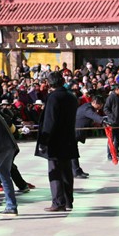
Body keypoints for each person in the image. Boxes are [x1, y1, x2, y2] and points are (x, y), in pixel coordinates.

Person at [35, 71, 79, 211]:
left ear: (49, 83)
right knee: (67, 171)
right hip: (68, 137)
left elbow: (50, 121)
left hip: (55, 139)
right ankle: (68, 201)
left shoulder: (53, 97)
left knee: (55, 171)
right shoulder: (71, 96)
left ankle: (58, 202)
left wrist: (44, 141)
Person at [72, 95, 104, 178]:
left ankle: (77, 170)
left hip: (74, 132)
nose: (101, 106)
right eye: (100, 104)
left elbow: (85, 119)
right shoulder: (87, 108)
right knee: (73, 153)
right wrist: (102, 120)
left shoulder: (87, 107)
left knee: (73, 152)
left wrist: (93, 123)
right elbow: (92, 115)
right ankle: (75, 171)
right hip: (72, 132)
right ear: (94, 102)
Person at [103, 83, 119, 160]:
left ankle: (116, 154)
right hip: (112, 122)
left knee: (118, 139)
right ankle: (109, 155)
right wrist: (112, 116)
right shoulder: (111, 97)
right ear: (116, 89)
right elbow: (106, 109)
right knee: (111, 139)